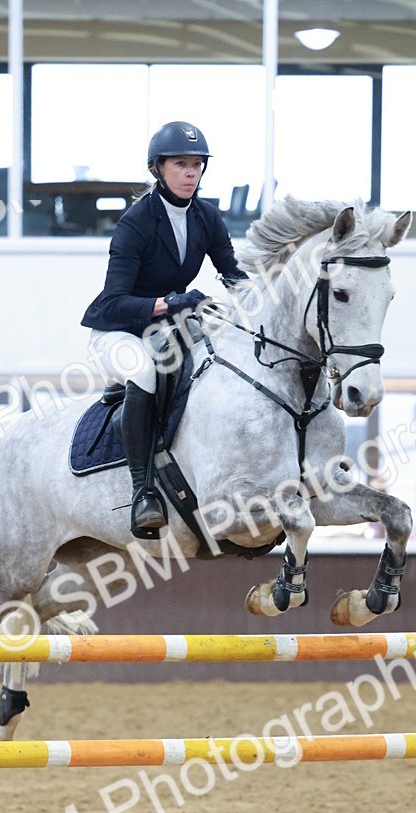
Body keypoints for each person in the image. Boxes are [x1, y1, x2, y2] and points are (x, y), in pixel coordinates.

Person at [82, 121, 247, 532]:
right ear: (158, 168)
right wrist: (168, 302)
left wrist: (262, 306)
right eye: (181, 165)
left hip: (166, 329)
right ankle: (143, 492)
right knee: (144, 370)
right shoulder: (135, 223)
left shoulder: (207, 217)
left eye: (197, 165)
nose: (191, 173)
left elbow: (234, 275)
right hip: (118, 331)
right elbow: (113, 301)